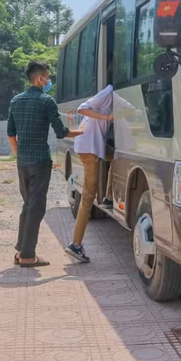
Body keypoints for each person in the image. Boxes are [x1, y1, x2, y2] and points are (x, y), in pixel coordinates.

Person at [7, 61, 82, 268]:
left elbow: (11, 134)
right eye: (47, 77)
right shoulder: (46, 101)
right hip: (40, 161)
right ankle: (28, 256)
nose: (49, 81)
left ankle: (20, 251)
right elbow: (62, 132)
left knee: (28, 205)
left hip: (22, 162)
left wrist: (20, 155)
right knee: (36, 207)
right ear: (40, 78)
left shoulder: (15, 101)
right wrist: (82, 131)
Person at [64, 85, 114, 263]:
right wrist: (106, 117)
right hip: (88, 148)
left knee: (115, 158)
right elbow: (82, 108)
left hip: (90, 147)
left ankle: (108, 197)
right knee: (88, 197)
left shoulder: (112, 96)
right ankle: (75, 244)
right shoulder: (108, 92)